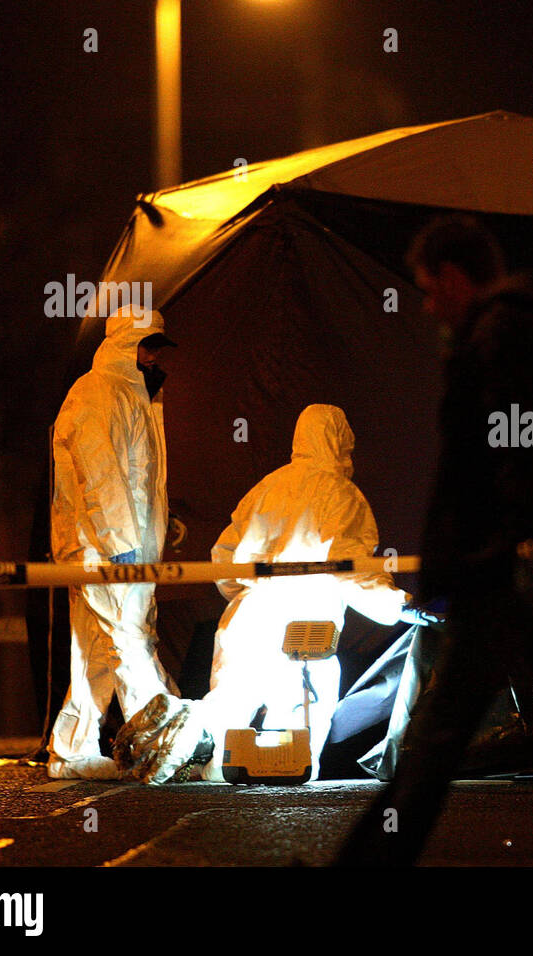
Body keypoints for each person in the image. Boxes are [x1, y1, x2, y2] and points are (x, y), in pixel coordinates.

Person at [335, 217, 533, 865]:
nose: (425, 306)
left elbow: (503, 453)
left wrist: (497, 548)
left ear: (453, 276)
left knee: (444, 733)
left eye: (427, 289)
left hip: (508, 568)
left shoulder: (499, 334)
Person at [114, 404, 430, 784]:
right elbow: (350, 570)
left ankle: (188, 749)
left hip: (250, 613)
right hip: (305, 622)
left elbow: (223, 557)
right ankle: (280, 791)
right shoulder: (342, 494)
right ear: (341, 443)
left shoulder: (266, 487)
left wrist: (245, 596)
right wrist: (400, 606)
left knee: (229, 702)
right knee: (301, 718)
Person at [47, 306, 179, 779]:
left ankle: (72, 749)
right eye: (148, 346)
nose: (154, 357)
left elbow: (142, 479)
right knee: (127, 640)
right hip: (99, 547)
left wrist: (149, 535)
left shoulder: (135, 395)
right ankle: (165, 742)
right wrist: (122, 541)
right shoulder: (97, 391)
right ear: (127, 344)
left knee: (98, 648)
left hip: (123, 546)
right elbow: (99, 474)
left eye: (158, 348)